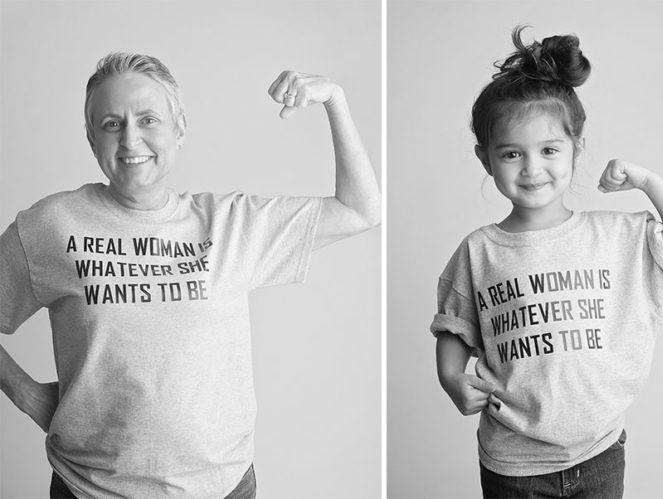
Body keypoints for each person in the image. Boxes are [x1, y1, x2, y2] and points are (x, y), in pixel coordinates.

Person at [0, 53, 379, 499]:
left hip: (225, 487)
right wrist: (25, 393)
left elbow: (360, 210)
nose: (131, 139)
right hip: (91, 489)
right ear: (90, 138)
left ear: (179, 128)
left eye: (148, 119)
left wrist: (335, 99)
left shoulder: (228, 223)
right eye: (111, 124)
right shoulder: (51, 225)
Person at [430, 26, 663, 499]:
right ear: (486, 160)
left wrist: (648, 181)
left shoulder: (615, 236)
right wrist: (451, 379)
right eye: (511, 154)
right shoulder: (479, 250)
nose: (532, 168)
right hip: (512, 461)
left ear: (576, 148)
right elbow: (452, 328)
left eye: (549, 150)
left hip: (599, 451)